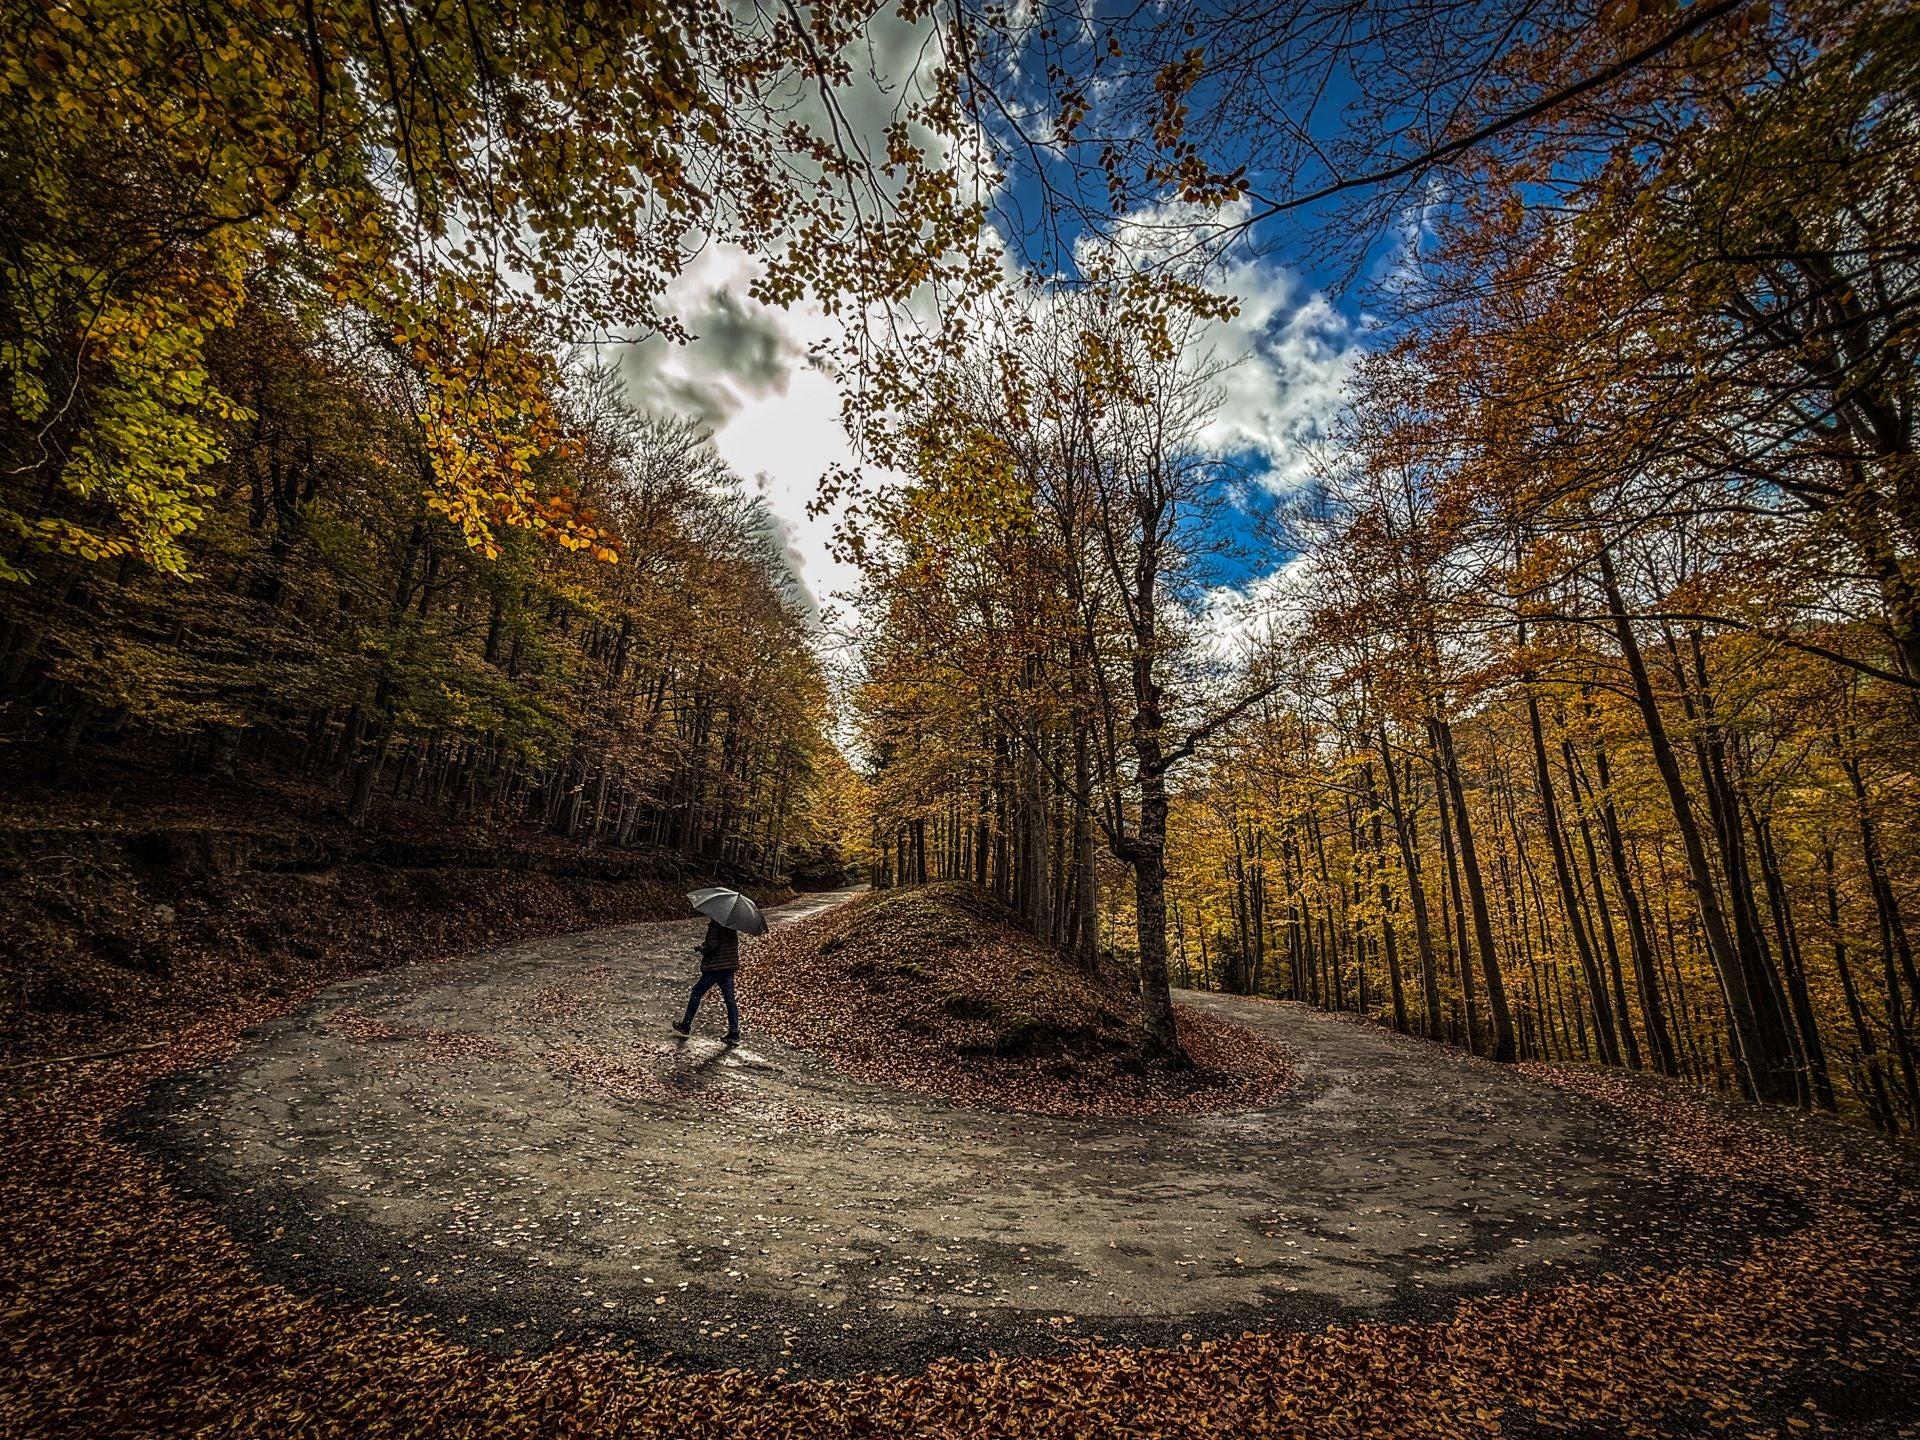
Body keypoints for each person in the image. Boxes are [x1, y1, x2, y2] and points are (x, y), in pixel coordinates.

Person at [672, 917, 741, 1044]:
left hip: (716, 966)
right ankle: (734, 1032)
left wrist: (701, 948)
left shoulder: (716, 924)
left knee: (696, 992)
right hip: (729, 966)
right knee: (729, 999)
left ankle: (686, 1025)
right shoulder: (731, 924)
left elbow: (712, 945)